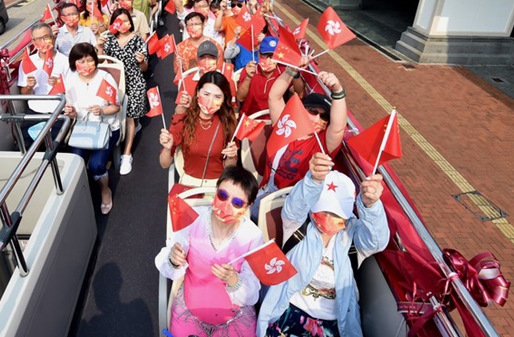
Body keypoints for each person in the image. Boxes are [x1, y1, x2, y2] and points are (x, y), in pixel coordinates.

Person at [257, 163, 389, 337]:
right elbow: (294, 206)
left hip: (335, 322)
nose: (327, 218)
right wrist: (313, 180)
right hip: (289, 312)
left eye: (335, 213)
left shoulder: (351, 238)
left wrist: (371, 206)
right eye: (323, 211)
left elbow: (377, 241)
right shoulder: (298, 226)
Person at [155, 167, 265, 337]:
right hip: (190, 313)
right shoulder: (192, 219)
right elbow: (171, 257)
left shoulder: (253, 236)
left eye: (237, 203)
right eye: (222, 195)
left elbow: (252, 290)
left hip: (235, 317)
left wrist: (233, 280)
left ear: (248, 206)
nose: (226, 207)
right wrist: (173, 259)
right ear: (216, 191)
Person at [252, 60, 347, 216]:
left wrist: (337, 90)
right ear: (301, 109)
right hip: (262, 196)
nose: (317, 118)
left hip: (291, 208)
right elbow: (274, 97)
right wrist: (290, 70)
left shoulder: (321, 144)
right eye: (312, 111)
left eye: (324, 116)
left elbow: (338, 128)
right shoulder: (286, 125)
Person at [63, 43, 121, 214]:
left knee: (96, 165)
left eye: (90, 60)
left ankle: (105, 190)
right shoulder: (70, 80)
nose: (86, 65)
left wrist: (102, 110)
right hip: (83, 129)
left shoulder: (105, 78)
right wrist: (71, 112)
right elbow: (72, 110)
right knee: (75, 160)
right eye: (81, 61)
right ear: (74, 63)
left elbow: (115, 107)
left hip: (107, 128)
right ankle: (82, 193)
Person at [159, 71, 238, 186]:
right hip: (189, 183)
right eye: (206, 94)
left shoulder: (228, 122)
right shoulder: (183, 119)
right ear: (197, 93)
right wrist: (167, 148)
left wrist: (231, 156)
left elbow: (230, 167)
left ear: (223, 100)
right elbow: (164, 164)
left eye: (217, 96)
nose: (210, 101)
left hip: (218, 184)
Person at [97, 8, 148, 175]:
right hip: (114, 82)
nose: (123, 24)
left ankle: (127, 154)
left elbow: (145, 69)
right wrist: (99, 47)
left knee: (129, 116)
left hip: (133, 81)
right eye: (119, 21)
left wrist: (141, 61)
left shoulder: (138, 40)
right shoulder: (108, 39)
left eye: (126, 21)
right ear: (113, 23)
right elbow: (102, 62)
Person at [17, 22, 70, 148]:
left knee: (54, 146)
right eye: (38, 39)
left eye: (46, 37)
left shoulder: (65, 61)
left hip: (58, 111)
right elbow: (24, 93)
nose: (43, 42)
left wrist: (58, 84)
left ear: (53, 37)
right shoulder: (28, 62)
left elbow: (72, 91)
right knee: (25, 145)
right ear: (33, 42)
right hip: (34, 111)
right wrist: (29, 86)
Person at [237, 36, 304, 116]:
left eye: (273, 56)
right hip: (249, 119)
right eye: (265, 55)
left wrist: (295, 72)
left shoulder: (285, 71)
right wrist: (248, 77)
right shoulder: (250, 69)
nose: (268, 60)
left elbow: (300, 94)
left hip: (274, 120)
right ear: (259, 54)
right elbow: (240, 98)